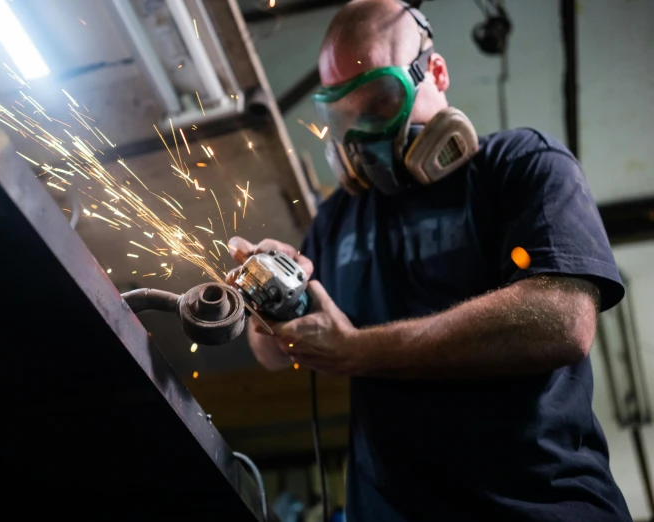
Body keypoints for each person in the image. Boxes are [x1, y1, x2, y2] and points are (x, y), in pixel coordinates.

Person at [226, 0, 633, 520]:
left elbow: (562, 321)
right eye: (344, 116)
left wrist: (359, 351)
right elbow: (275, 354)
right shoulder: (337, 219)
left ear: (435, 71)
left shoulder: (522, 165)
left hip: (538, 509)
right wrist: (270, 309)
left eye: (380, 104)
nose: (362, 135)